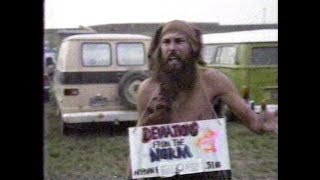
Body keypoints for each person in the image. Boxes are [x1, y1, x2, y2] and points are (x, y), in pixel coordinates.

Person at [128, 20, 278, 180]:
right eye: (166, 42)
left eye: (179, 41)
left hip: (208, 172)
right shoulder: (147, 89)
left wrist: (263, 123)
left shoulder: (213, 80)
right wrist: (131, 170)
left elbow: (253, 122)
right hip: (164, 173)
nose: (172, 48)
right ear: (160, 49)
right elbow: (141, 137)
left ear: (193, 47)